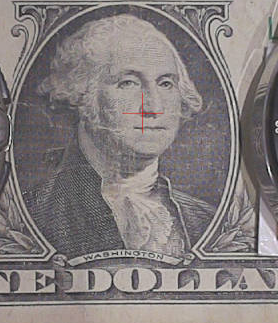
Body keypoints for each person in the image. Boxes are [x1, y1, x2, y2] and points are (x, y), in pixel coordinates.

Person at [31, 14, 215, 260]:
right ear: (82, 94)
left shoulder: (204, 219)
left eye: (165, 84)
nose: (153, 107)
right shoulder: (37, 214)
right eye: (128, 83)